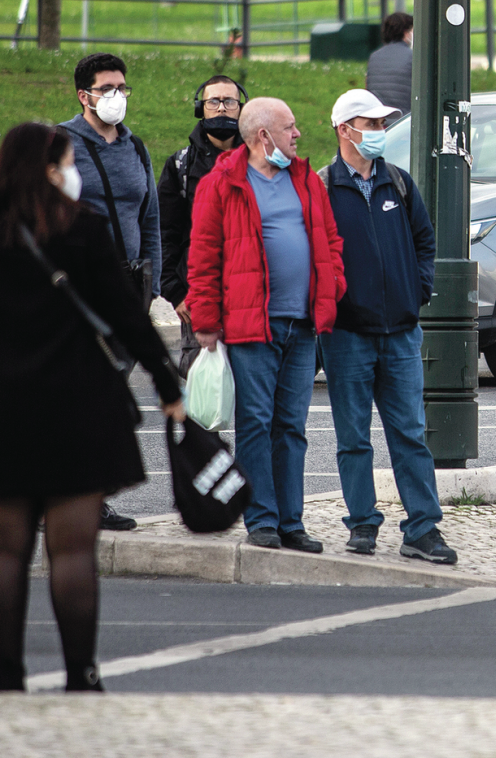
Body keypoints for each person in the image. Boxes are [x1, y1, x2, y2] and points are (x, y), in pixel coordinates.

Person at [0, 123, 184, 693]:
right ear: (50, 169)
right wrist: (168, 382)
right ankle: (80, 673)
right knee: (72, 552)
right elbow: (127, 317)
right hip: (80, 407)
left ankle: (10, 675)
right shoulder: (84, 230)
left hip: (4, 412)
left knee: (6, 552)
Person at [188, 97, 346, 554]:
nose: (298, 135)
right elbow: (203, 257)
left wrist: (332, 285)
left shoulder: (304, 180)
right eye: (290, 128)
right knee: (255, 424)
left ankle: (291, 521)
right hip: (251, 328)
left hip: (302, 326)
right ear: (264, 136)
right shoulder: (222, 182)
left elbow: (330, 239)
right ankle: (262, 519)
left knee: (291, 426)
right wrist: (206, 320)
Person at [322, 89, 456, 565]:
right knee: (353, 437)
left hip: (400, 332)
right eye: (371, 124)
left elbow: (424, 239)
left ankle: (422, 529)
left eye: (381, 124)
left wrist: (416, 290)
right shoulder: (321, 188)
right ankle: (362, 524)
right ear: (345, 130)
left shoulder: (398, 183)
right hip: (346, 336)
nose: (379, 132)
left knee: (411, 435)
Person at [59, 52, 159, 534]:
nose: (117, 96)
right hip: (81, 288)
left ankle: (89, 494)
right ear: (85, 96)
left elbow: (150, 218)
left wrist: (152, 282)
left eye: (123, 87)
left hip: (129, 284)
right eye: (107, 88)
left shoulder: (135, 147)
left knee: (109, 394)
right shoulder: (62, 143)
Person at [158, 75, 246, 373]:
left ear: (240, 108)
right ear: (201, 108)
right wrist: (175, 292)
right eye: (213, 102)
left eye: (229, 101)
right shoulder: (180, 166)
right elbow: (165, 234)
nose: (222, 108)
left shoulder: (260, 162)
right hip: (199, 298)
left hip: (252, 298)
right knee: (207, 401)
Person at [367, 11, 415, 114]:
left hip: (379, 117)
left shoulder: (374, 56)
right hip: (403, 117)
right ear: (405, 33)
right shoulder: (412, 56)